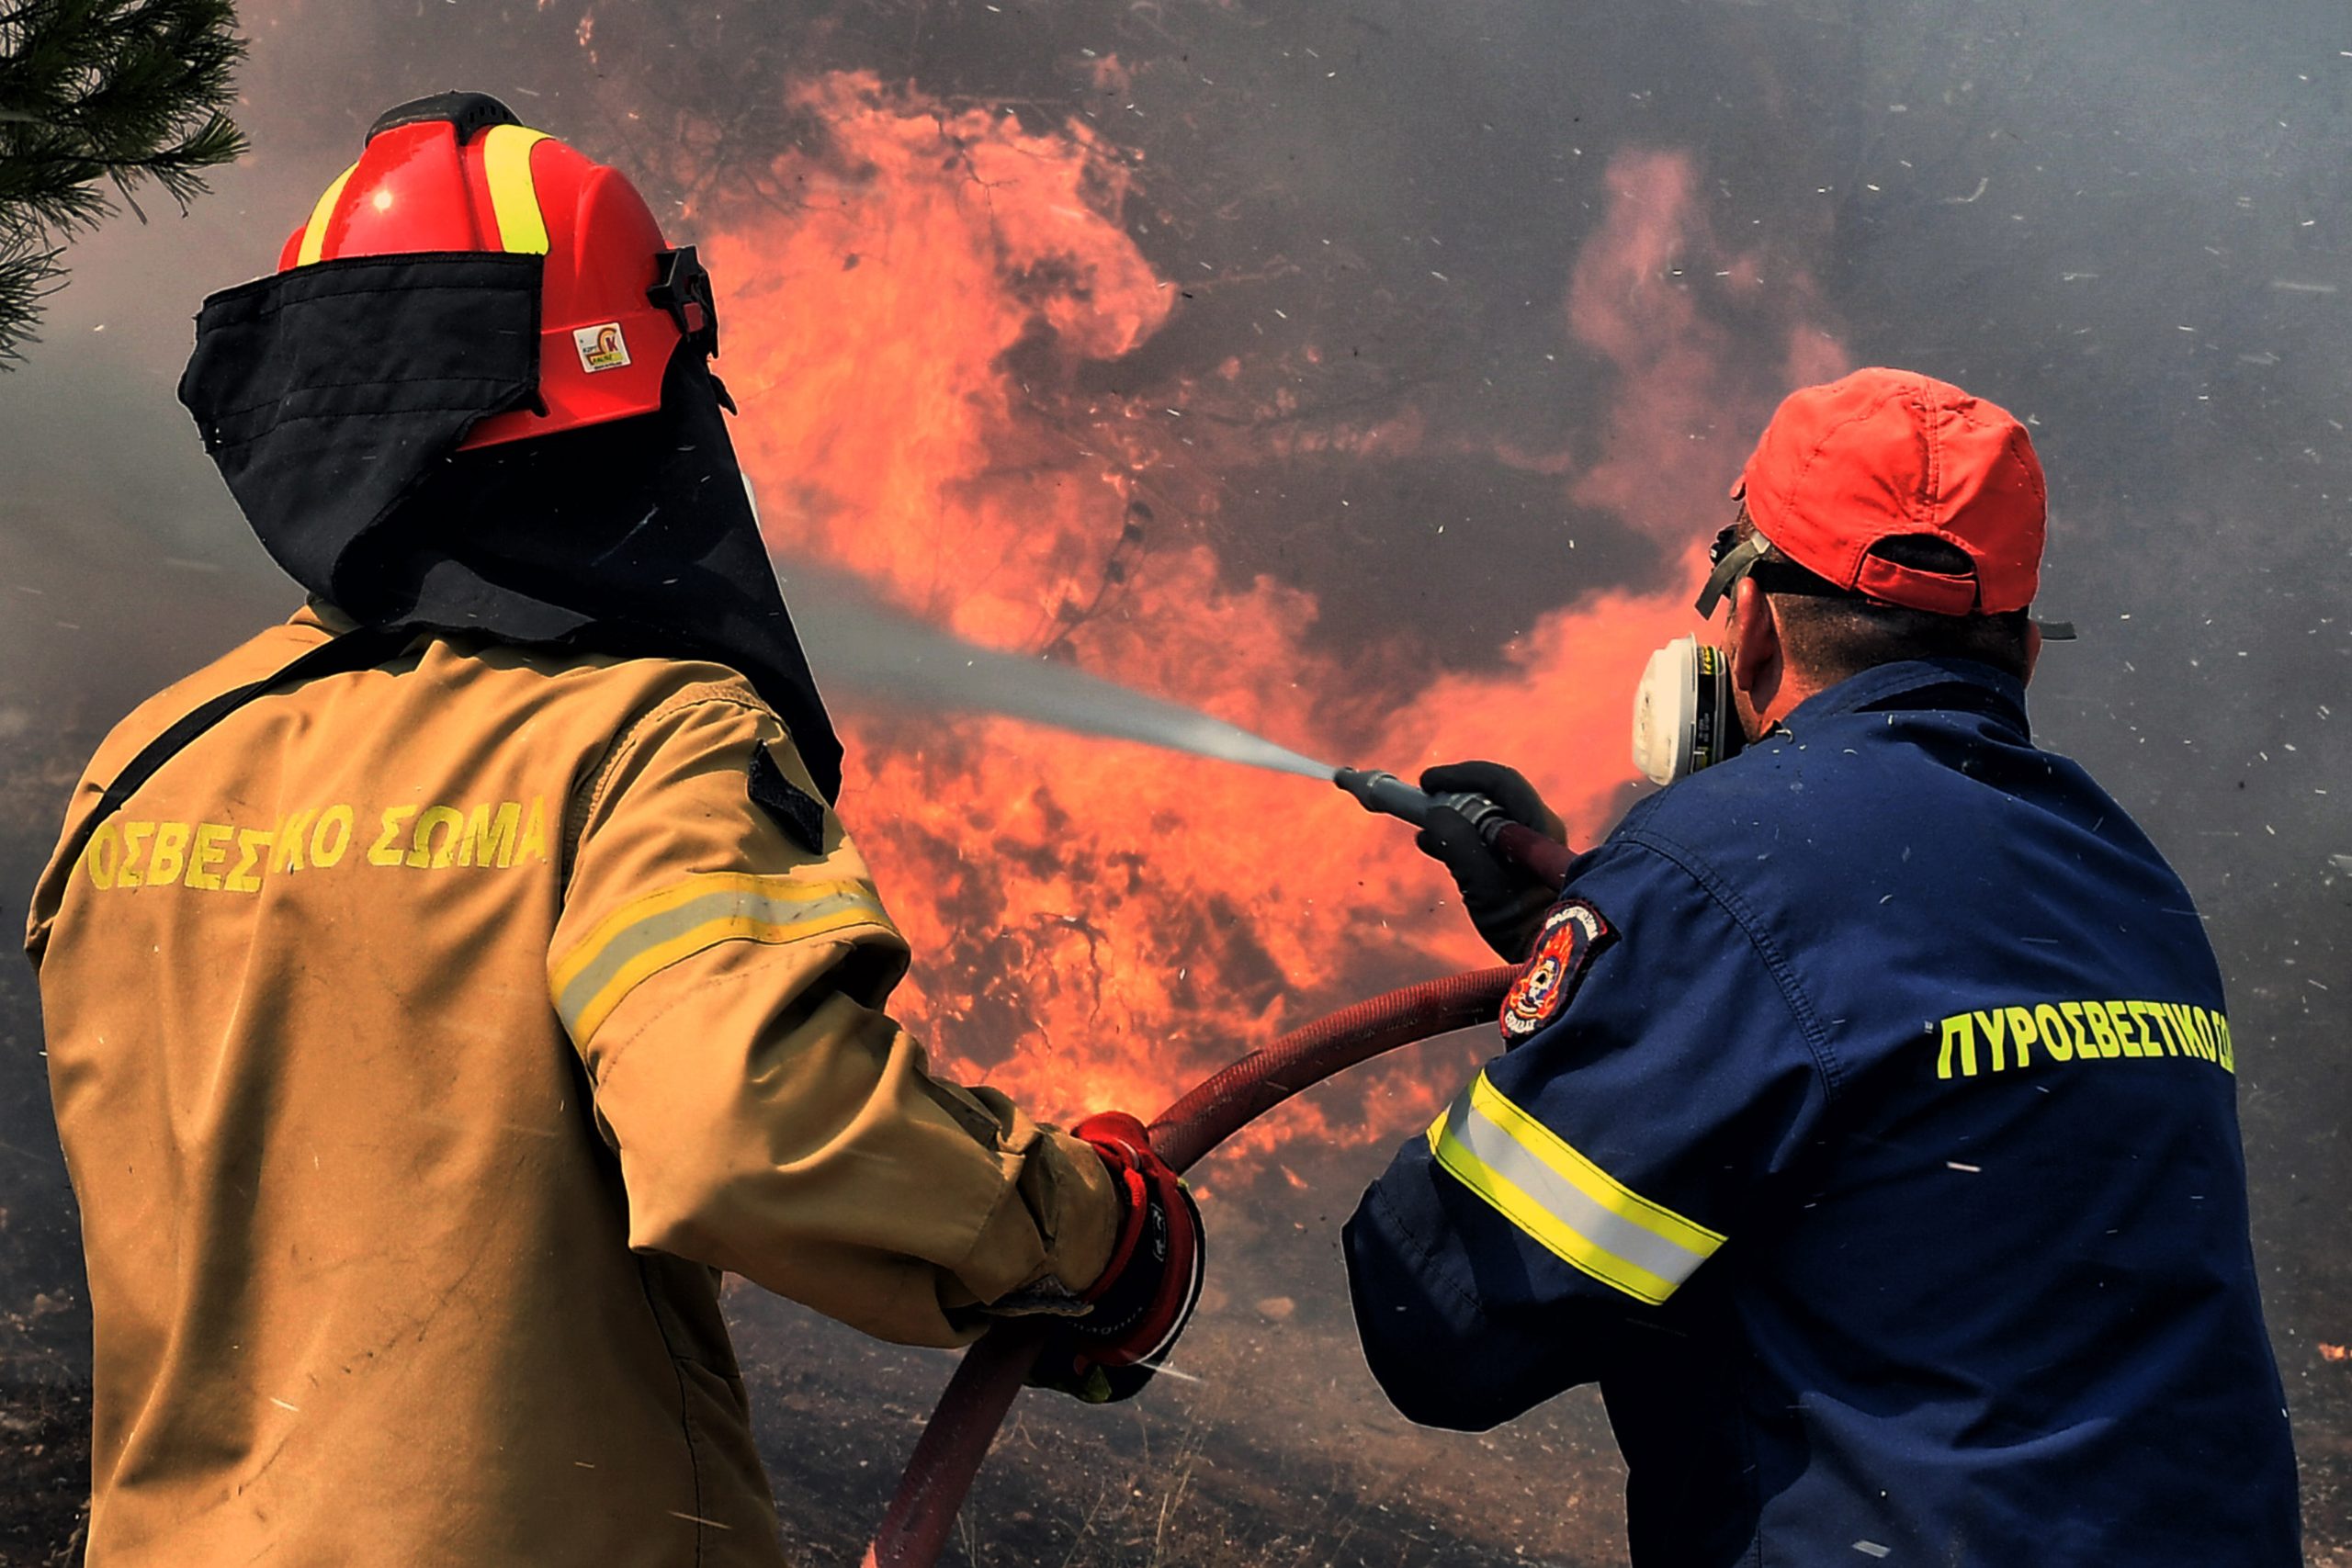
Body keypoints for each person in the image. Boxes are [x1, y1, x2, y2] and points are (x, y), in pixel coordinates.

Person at [22, 93, 1201, 1566]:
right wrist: (1094, 1233)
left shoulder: (149, 767)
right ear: (628, 416)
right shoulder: (640, 739)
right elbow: (750, 1122)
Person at [1345, 367, 2301, 1565]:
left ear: (1744, 624)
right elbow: (1885, 1016)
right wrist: (1634, 938)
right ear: (2020, 651)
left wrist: (1643, 947)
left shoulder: (1724, 870)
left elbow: (1443, 1326)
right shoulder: (2128, 881)